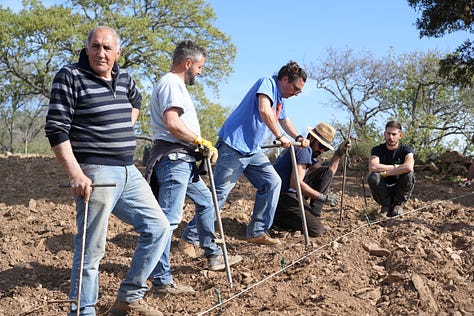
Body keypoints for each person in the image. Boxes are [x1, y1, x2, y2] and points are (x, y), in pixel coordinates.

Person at [45, 26, 170, 316]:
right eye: (96, 46)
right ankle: (82, 311)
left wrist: (123, 127)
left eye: (107, 48)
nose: (101, 53)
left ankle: (129, 297)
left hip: (129, 170)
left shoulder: (125, 77)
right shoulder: (70, 76)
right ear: (87, 48)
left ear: (118, 52)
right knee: (91, 251)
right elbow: (56, 128)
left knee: (158, 228)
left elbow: (136, 102)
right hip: (96, 173)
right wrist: (76, 173)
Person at [145, 40, 242, 296]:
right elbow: (172, 123)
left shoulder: (176, 86)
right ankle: (162, 281)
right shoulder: (171, 83)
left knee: (208, 203)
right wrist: (198, 141)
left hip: (183, 161)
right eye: (199, 67)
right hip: (174, 160)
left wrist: (198, 147)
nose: (200, 72)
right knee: (169, 220)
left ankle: (213, 255)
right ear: (188, 63)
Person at [181, 61, 310, 248]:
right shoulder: (267, 83)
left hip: (252, 149)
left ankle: (257, 231)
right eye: (296, 88)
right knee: (219, 195)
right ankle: (189, 239)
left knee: (272, 182)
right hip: (233, 145)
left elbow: (284, 120)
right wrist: (280, 137)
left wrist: (297, 136)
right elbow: (264, 109)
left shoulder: (281, 99)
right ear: (284, 79)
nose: (296, 93)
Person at [272, 122, 350, 237]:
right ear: (312, 138)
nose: (321, 151)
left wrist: (338, 153)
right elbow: (295, 183)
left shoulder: (309, 153)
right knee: (316, 230)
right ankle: (277, 219)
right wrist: (322, 197)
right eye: (321, 146)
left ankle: (313, 216)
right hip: (282, 197)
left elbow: (327, 173)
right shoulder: (304, 149)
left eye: (326, 149)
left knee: (325, 172)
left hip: (291, 194)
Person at [367, 120, 415, 217]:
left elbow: (409, 167)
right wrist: (396, 167)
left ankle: (398, 205)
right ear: (384, 134)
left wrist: (385, 173)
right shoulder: (377, 149)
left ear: (400, 135)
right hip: (383, 188)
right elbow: (373, 167)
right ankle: (386, 206)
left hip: (400, 188)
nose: (390, 137)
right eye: (388, 134)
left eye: (394, 134)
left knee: (409, 174)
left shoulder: (407, 149)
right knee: (373, 177)